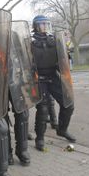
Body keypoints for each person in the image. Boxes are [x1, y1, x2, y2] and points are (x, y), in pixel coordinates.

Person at [31, 15, 76, 152]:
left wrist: (66, 53)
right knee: (43, 109)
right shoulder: (30, 42)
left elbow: (62, 57)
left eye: (46, 24)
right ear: (36, 26)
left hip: (53, 76)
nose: (44, 27)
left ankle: (62, 130)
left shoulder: (54, 40)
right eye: (41, 24)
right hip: (39, 79)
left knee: (68, 104)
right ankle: (39, 138)